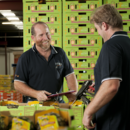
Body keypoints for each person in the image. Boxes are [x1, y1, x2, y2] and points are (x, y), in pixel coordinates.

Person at [83, 4, 130, 130]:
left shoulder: (111, 45)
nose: (98, 33)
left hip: (113, 122)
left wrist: (88, 111)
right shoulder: (127, 43)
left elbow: (111, 86)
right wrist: (99, 83)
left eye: (97, 29)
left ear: (104, 25)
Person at [14, 21, 78, 103]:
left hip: (57, 102)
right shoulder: (25, 57)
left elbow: (70, 75)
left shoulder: (60, 53)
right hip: (35, 103)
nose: (46, 38)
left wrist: (73, 93)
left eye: (47, 33)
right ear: (33, 38)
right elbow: (18, 84)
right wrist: (36, 94)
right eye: (41, 35)